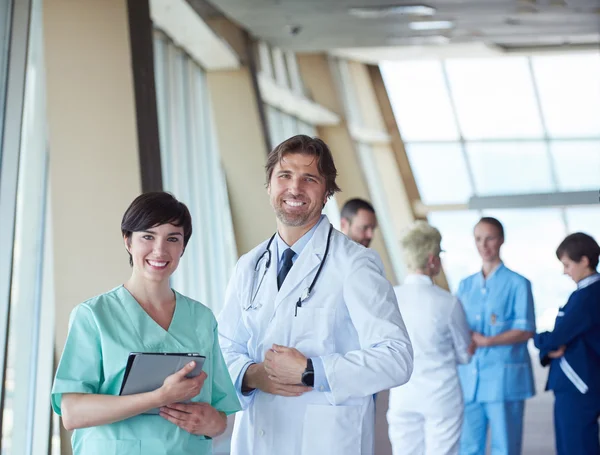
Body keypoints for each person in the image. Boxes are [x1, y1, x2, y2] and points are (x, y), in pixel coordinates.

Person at [218, 134, 413, 455]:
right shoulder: (249, 266)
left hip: (327, 440)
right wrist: (252, 375)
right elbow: (225, 347)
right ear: (269, 185)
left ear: (326, 194)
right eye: (284, 176)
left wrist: (312, 371)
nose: (294, 188)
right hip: (259, 436)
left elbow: (397, 358)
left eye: (309, 178)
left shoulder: (355, 263)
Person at [51, 192, 240, 455]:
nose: (160, 250)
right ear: (128, 241)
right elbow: (72, 413)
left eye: (173, 238)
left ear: (183, 247)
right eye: (148, 236)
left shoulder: (201, 318)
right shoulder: (94, 316)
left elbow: (221, 415)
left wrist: (211, 422)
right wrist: (159, 397)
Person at [388, 221, 472, 455]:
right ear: (432, 259)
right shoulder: (448, 302)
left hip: (402, 395)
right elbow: (464, 354)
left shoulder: (390, 297)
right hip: (441, 396)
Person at [457, 217, 535, 455]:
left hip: (503, 379)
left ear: (501, 240)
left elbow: (526, 329)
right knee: (468, 447)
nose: (484, 245)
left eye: (489, 238)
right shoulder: (465, 285)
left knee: (505, 447)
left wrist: (489, 341)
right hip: (470, 379)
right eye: (478, 239)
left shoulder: (518, 283)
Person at [534, 232, 600, 455]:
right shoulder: (584, 295)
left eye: (567, 265)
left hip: (578, 385)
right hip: (578, 384)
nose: (565, 271)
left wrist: (537, 338)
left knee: (575, 447)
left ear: (585, 261)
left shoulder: (587, 297)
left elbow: (555, 339)